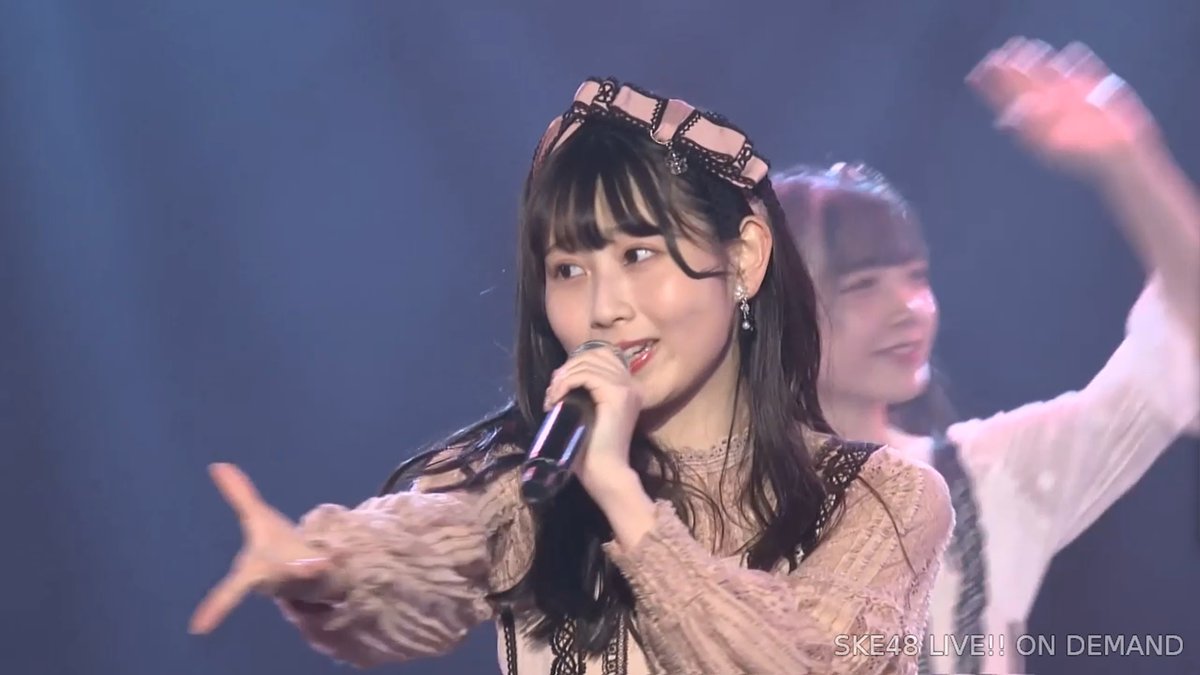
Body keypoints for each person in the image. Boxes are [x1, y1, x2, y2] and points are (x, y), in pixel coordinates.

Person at [188, 78, 954, 674]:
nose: (603, 306)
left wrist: (622, 496)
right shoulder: (531, 481)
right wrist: (323, 565)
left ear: (745, 258)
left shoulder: (883, 498)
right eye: (568, 268)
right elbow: (424, 543)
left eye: (638, 254)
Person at [773, 38, 1199, 674]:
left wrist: (1131, 165)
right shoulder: (692, 512)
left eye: (916, 278)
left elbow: (1178, 351)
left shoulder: (992, 477)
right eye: (862, 285)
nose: (910, 308)